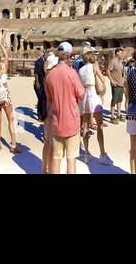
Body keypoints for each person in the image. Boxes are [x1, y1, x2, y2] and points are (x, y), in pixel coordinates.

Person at [44, 42, 85, 174]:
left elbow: (49, 99)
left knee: (56, 158)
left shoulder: (50, 76)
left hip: (56, 122)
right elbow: (82, 94)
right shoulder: (72, 73)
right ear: (68, 56)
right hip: (72, 121)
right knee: (71, 159)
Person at [78, 45, 110, 164]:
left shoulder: (80, 70)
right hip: (93, 95)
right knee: (100, 126)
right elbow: (103, 79)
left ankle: (86, 153)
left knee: (85, 127)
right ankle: (102, 153)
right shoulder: (94, 66)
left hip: (84, 97)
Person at [108, 49, 127, 124]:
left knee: (119, 100)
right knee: (114, 100)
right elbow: (108, 71)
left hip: (121, 84)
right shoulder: (113, 61)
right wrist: (112, 80)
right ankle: (112, 116)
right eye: (121, 53)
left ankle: (118, 115)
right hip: (115, 84)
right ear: (117, 53)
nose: (122, 54)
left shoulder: (120, 62)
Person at [34, 50, 49, 122]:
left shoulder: (47, 62)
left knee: (43, 99)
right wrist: (37, 82)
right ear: (45, 54)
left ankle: (43, 114)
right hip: (39, 83)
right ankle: (41, 116)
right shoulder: (39, 61)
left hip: (44, 83)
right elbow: (36, 72)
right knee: (41, 99)